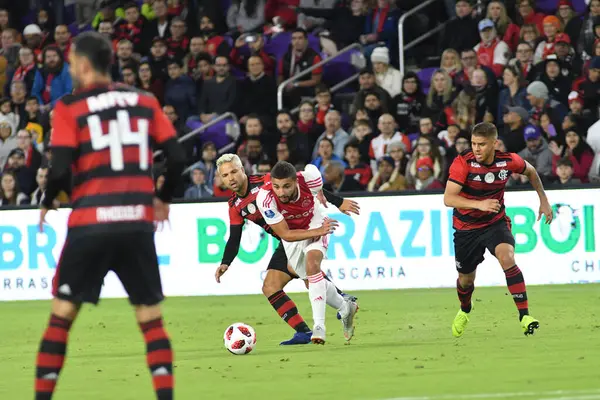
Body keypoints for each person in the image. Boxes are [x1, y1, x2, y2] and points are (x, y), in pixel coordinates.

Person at [34, 32, 186, 400]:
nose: (71, 69)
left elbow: (59, 169)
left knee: (61, 318)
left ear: (84, 65)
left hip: (89, 225)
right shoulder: (145, 101)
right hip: (136, 222)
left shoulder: (70, 107)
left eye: (72, 63)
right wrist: (162, 198)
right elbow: (177, 158)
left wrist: (48, 199)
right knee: (150, 319)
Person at [214, 154, 360, 345]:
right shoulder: (234, 206)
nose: (231, 178)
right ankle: (304, 331)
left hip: (301, 228)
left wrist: (337, 202)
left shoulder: (266, 182)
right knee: (270, 286)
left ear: (243, 169)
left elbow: (305, 185)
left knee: (308, 272)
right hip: (286, 239)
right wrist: (226, 262)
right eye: (225, 175)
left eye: (234, 171)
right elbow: (235, 237)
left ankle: (341, 299)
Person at [443, 122, 553, 338]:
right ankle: (466, 309)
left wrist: (544, 200)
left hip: (495, 223)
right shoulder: (462, 163)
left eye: (481, 144)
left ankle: (525, 316)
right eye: (474, 144)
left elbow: (531, 171)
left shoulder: (507, 161)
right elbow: (448, 198)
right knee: (466, 280)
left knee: (507, 258)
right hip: (466, 228)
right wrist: (479, 204)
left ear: (494, 143)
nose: (476, 149)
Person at [256, 161, 359, 344]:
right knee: (311, 280)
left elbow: (313, 169)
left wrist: (333, 200)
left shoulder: (310, 179)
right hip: (294, 236)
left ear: (296, 181)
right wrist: (316, 233)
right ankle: (345, 307)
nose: (281, 192)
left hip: (316, 222)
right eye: (277, 187)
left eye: (286, 186)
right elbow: (285, 234)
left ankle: (319, 327)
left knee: (313, 267)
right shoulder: (265, 198)